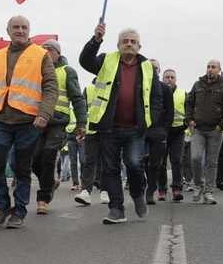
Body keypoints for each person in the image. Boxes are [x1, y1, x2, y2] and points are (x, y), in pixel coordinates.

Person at [0, 16, 58, 229]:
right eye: (16, 27)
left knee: (22, 168)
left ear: (29, 30)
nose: (20, 30)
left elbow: (51, 87)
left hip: (29, 122)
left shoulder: (41, 55)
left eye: (24, 27)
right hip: (2, 121)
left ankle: (19, 211)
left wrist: (44, 113)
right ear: (8, 30)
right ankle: (2, 205)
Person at [80, 23, 162, 224]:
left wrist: (149, 120)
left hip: (135, 129)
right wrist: (95, 40)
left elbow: (156, 97)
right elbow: (86, 61)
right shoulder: (107, 60)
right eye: (125, 41)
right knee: (110, 169)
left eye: (133, 42)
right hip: (109, 127)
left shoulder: (147, 67)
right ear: (118, 45)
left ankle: (137, 195)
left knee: (134, 165)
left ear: (139, 47)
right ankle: (116, 208)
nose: (129, 44)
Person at [33, 40, 86, 215]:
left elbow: (78, 98)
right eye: (43, 50)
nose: (45, 52)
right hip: (37, 121)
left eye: (49, 50)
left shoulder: (67, 72)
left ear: (57, 53)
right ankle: (50, 182)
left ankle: (43, 198)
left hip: (58, 121)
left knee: (48, 155)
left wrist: (81, 123)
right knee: (34, 160)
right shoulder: (36, 71)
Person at [184, 59, 223, 205]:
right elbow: (189, 103)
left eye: (213, 67)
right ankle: (198, 185)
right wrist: (189, 120)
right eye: (208, 67)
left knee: (211, 162)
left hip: (215, 130)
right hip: (198, 129)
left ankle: (209, 192)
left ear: (219, 70)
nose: (210, 69)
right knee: (195, 158)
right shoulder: (197, 85)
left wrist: (222, 125)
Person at [144, 59, 176, 206]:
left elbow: (170, 112)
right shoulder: (140, 86)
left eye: (156, 68)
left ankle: (151, 190)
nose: (153, 70)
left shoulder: (165, 89)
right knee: (140, 161)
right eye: (150, 67)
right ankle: (143, 185)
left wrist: (165, 130)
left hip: (159, 131)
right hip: (141, 130)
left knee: (155, 163)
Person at [155, 68, 188, 202]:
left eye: (172, 77)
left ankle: (177, 189)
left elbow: (188, 111)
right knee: (161, 162)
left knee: (177, 160)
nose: (169, 79)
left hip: (178, 132)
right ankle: (162, 190)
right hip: (162, 131)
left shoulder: (183, 93)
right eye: (167, 77)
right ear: (162, 79)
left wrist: (185, 125)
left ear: (175, 79)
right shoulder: (158, 92)